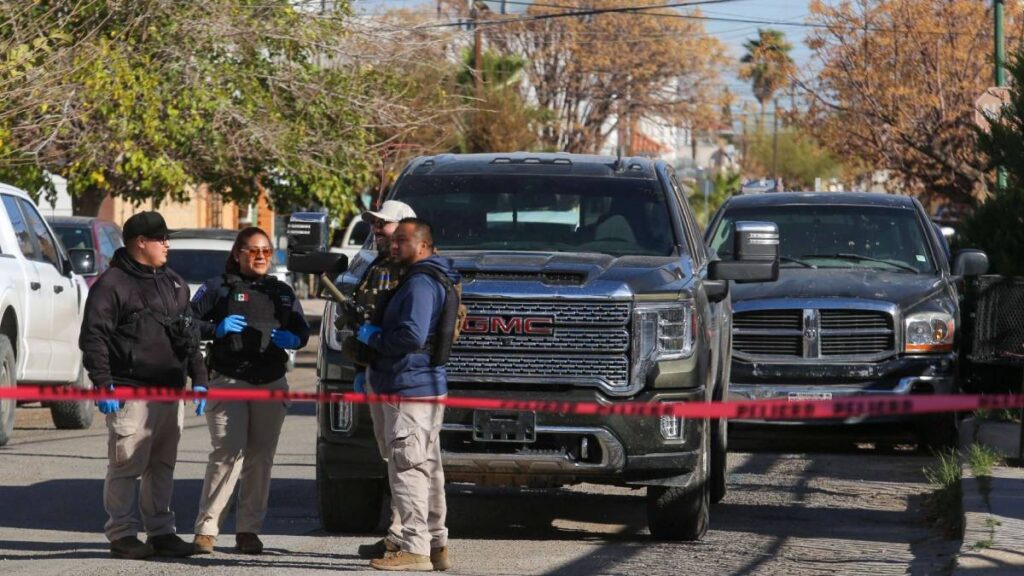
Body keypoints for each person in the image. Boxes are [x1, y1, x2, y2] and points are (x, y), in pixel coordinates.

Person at [79, 211, 207, 560]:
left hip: (169, 392)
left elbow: (189, 337)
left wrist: (200, 379)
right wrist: (103, 384)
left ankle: (162, 532)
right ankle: (122, 534)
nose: (168, 244)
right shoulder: (112, 285)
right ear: (140, 242)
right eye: (161, 238)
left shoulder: (176, 284)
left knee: (162, 467)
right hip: (130, 392)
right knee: (126, 467)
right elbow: (94, 339)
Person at [189, 226, 310, 555]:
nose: (260, 257)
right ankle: (206, 530)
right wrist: (216, 329)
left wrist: (295, 339)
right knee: (227, 455)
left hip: (270, 383)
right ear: (237, 254)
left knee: (260, 460)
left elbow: (301, 327)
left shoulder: (281, 292)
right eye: (253, 251)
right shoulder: (217, 289)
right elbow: (185, 322)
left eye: (266, 252)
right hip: (229, 381)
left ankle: (248, 531)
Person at [356, 218, 460, 572]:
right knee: (427, 467)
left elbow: (413, 336)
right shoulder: (431, 277)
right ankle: (436, 543)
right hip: (421, 386)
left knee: (408, 468)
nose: (394, 246)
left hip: (408, 386)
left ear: (423, 245)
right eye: (393, 239)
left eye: (402, 240)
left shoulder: (419, 283)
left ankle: (415, 548)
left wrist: (375, 339)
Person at [343, 200, 416, 560]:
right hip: (376, 373)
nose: (376, 229)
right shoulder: (376, 265)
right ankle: (397, 532)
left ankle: (409, 537)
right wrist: (360, 370)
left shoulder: (416, 270)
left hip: (404, 377)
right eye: (374, 224)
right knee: (392, 458)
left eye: (383, 224)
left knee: (408, 460)